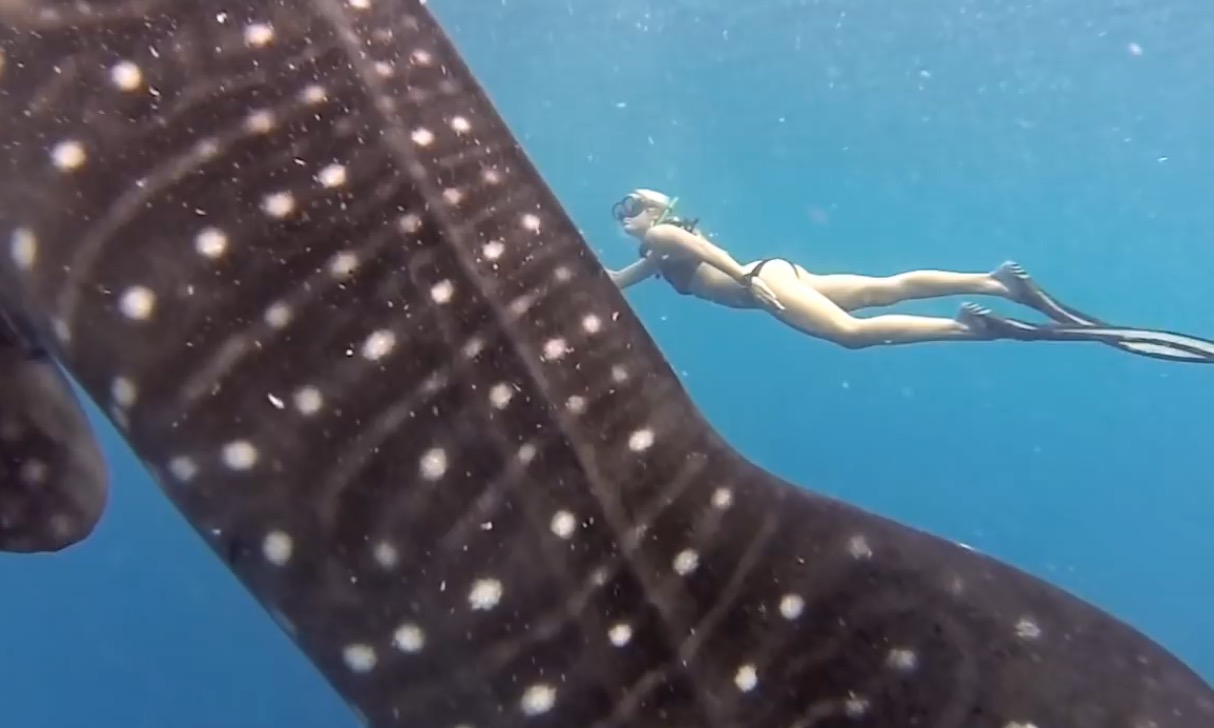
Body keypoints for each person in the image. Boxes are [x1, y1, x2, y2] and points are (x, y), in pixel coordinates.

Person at [607, 188, 1214, 362]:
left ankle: (969, 329)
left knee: (851, 334)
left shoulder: (663, 236)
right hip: (776, 270)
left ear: (644, 214)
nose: (622, 221)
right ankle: (995, 282)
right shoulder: (656, 248)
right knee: (881, 287)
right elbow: (619, 279)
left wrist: (746, 278)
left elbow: (695, 250)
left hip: (762, 285)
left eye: (622, 212)